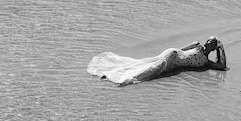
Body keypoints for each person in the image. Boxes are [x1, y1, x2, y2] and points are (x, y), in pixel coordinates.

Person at [87, 36, 227, 86]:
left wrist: (222, 50)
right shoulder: (197, 44)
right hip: (172, 54)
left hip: (174, 65)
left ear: (214, 47)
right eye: (208, 40)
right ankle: (126, 79)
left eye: (212, 42)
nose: (208, 42)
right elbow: (180, 49)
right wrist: (173, 54)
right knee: (155, 66)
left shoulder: (205, 62)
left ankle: (115, 73)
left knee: (149, 66)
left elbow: (222, 66)